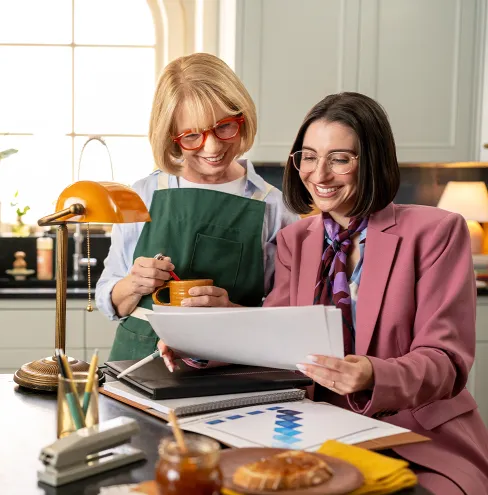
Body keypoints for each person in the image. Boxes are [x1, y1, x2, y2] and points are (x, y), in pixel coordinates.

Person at [263, 92, 488, 494]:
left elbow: (447, 362)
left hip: (416, 437)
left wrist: (373, 374)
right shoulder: (293, 241)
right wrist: (196, 347)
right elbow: (272, 344)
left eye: (339, 158)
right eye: (309, 156)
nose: (319, 174)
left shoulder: (437, 232)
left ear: (372, 162)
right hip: (320, 434)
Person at [96, 53, 298, 364]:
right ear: (171, 138)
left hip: (230, 368)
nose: (213, 147)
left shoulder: (274, 208)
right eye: (192, 135)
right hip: (135, 365)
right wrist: (133, 284)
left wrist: (230, 312)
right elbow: (110, 299)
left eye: (225, 127)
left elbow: (286, 320)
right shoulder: (143, 195)